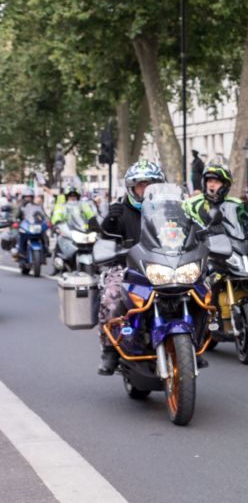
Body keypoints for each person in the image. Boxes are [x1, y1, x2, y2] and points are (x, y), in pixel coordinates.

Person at [96, 159, 166, 375]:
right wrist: (110, 219)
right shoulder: (122, 209)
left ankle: (194, 340)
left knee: (198, 288)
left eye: (150, 185)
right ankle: (109, 350)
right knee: (111, 297)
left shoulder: (169, 210)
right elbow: (106, 234)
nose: (145, 189)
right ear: (132, 188)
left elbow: (187, 231)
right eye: (141, 185)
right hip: (128, 267)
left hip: (164, 266)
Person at [183, 163, 248, 236]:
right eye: (209, 181)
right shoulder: (191, 203)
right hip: (200, 244)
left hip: (231, 244)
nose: (212, 185)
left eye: (216, 182)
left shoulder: (237, 205)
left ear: (225, 185)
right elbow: (181, 224)